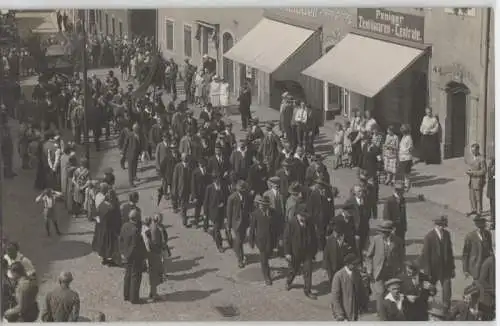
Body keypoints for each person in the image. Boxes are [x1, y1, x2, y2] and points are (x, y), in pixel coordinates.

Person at [365, 220, 405, 315]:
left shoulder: (398, 241)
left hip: (392, 272)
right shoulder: (376, 239)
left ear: (390, 231)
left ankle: (390, 311)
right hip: (379, 271)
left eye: (385, 232)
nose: (382, 233)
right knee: (380, 292)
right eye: (381, 231)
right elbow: (369, 256)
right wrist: (369, 269)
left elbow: (401, 256)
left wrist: (401, 269)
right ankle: (381, 314)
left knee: (391, 292)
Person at [419, 215, 455, 311]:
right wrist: (427, 270)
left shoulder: (447, 234)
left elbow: (450, 251)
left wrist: (452, 267)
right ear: (436, 225)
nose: (442, 227)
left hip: (445, 267)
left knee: (447, 288)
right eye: (440, 225)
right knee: (429, 288)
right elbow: (425, 254)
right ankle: (423, 305)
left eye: (443, 225)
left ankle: (446, 306)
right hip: (433, 268)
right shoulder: (429, 236)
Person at [283, 208, 318, 300]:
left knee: (308, 271)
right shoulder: (291, 223)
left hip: (307, 252)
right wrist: (287, 253)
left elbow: (314, 237)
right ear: (298, 215)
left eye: (306, 216)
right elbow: (286, 239)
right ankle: (289, 281)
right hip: (295, 253)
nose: (305, 218)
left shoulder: (309, 222)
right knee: (293, 270)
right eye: (303, 216)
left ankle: (307, 291)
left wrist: (314, 251)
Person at [119, 209, 147, 304]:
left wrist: (124, 253)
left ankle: (126, 295)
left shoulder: (125, 226)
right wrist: (143, 256)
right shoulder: (135, 230)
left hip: (126, 255)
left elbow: (121, 240)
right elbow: (136, 245)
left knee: (127, 275)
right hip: (135, 256)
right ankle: (134, 298)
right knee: (135, 276)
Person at [331, 253, 368, 321]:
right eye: (354, 264)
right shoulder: (338, 276)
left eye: (357, 264)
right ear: (348, 264)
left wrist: (363, 305)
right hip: (343, 313)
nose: (357, 266)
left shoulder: (357, 273)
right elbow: (335, 297)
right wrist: (339, 313)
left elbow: (361, 290)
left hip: (355, 311)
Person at [226, 180, 253, 268]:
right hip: (236, 222)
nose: (243, 191)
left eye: (244, 190)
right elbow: (229, 213)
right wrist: (228, 225)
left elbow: (249, 208)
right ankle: (240, 259)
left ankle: (239, 252)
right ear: (238, 190)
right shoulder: (232, 198)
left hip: (245, 222)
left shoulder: (247, 196)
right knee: (238, 240)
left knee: (241, 239)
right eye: (242, 190)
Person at [462, 216, 493, 280]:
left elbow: (490, 249)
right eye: (480, 227)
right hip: (476, 266)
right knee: (478, 284)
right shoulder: (470, 236)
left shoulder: (488, 234)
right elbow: (465, 254)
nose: (482, 229)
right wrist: (465, 270)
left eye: (483, 226)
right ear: (477, 226)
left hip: (487, 265)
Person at [141, 216, 163, 301]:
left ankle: (152, 292)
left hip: (151, 254)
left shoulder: (152, 227)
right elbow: (154, 243)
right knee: (154, 274)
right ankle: (154, 294)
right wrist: (158, 252)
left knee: (153, 273)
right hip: (154, 254)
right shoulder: (155, 229)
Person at [172, 152, 192, 227]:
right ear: (181, 158)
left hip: (188, 189)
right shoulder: (178, 166)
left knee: (185, 203)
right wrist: (174, 190)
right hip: (181, 189)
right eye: (184, 157)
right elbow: (175, 179)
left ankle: (183, 214)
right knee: (183, 205)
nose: (185, 159)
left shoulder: (190, 166)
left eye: (186, 157)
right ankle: (184, 220)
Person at [466, 143, 487, 217]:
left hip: (478, 181)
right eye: (472, 151)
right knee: (472, 197)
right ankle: (473, 209)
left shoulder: (482, 159)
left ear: (478, 150)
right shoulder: (472, 158)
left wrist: (472, 173)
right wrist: (469, 170)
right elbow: (472, 167)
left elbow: (483, 171)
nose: (472, 153)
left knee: (478, 198)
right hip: (471, 181)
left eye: (474, 151)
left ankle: (479, 212)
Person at [122, 123, 144, 187]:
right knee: (130, 168)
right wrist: (123, 152)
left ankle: (134, 176)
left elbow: (140, 143)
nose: (138, 130)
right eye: (136, 129)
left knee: (135, 166)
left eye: (138, 129)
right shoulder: (130, 135)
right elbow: (125, 144)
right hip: (130, 154)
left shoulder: (139, 134)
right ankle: (131, 182)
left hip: (137, 153)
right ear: (133, 129)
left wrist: (141, 151)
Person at [398, 124, 413, 191]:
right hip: (402, 157)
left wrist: (405, 152)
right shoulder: (403, 137)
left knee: (406, 173)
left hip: (406, 157)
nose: (402, 132)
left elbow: (410, 148)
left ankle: (407, 185)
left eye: (403, 130)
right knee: (403, 172)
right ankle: (404, 184)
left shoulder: (409, 138)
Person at [486, 157, 495, 230]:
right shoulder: (490, 165)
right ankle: (493, 222)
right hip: (491, 190)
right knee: (492, 207)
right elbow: (489, 175)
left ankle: (493, 223)